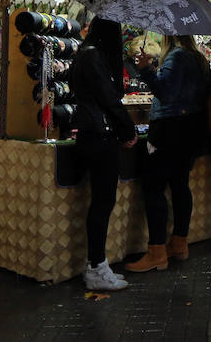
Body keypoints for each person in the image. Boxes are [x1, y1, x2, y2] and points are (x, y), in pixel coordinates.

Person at [125, 36, 209, 272]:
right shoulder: (198, 58)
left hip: (169, 130)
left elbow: (166, 93)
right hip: (190, 129)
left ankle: (157, 252)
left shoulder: (177, 56)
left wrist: (146, 70)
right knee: (180, 184)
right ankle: (180, 244)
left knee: (154, 187)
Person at [69, 18, 137, 291]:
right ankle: (97, 266)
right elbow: (109, 99)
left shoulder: (85, 54)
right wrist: (128, 128)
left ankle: (97, 265)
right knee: (102, 202)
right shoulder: (94, 57)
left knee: (101, 202)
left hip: (91, 132)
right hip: (100, 135)